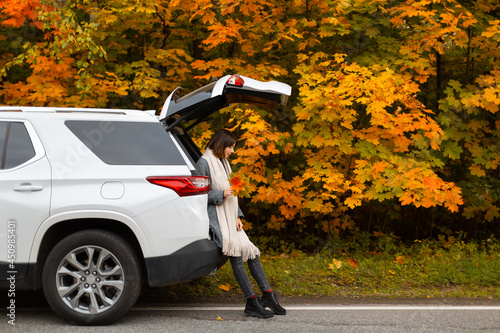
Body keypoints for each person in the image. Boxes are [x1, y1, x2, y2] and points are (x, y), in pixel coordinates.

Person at [196, 129, 286, 319]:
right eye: (230, 147)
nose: (232, 151)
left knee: (251, 252)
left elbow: (233, 191)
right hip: (217, 219)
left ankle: (268, 295)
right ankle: (251, 301)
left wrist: (238, 215)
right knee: (236, 255)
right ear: (221, 144)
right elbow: (198, 196)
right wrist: (221, 194)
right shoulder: (204, 163)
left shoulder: (224, 162)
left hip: (230, 216)